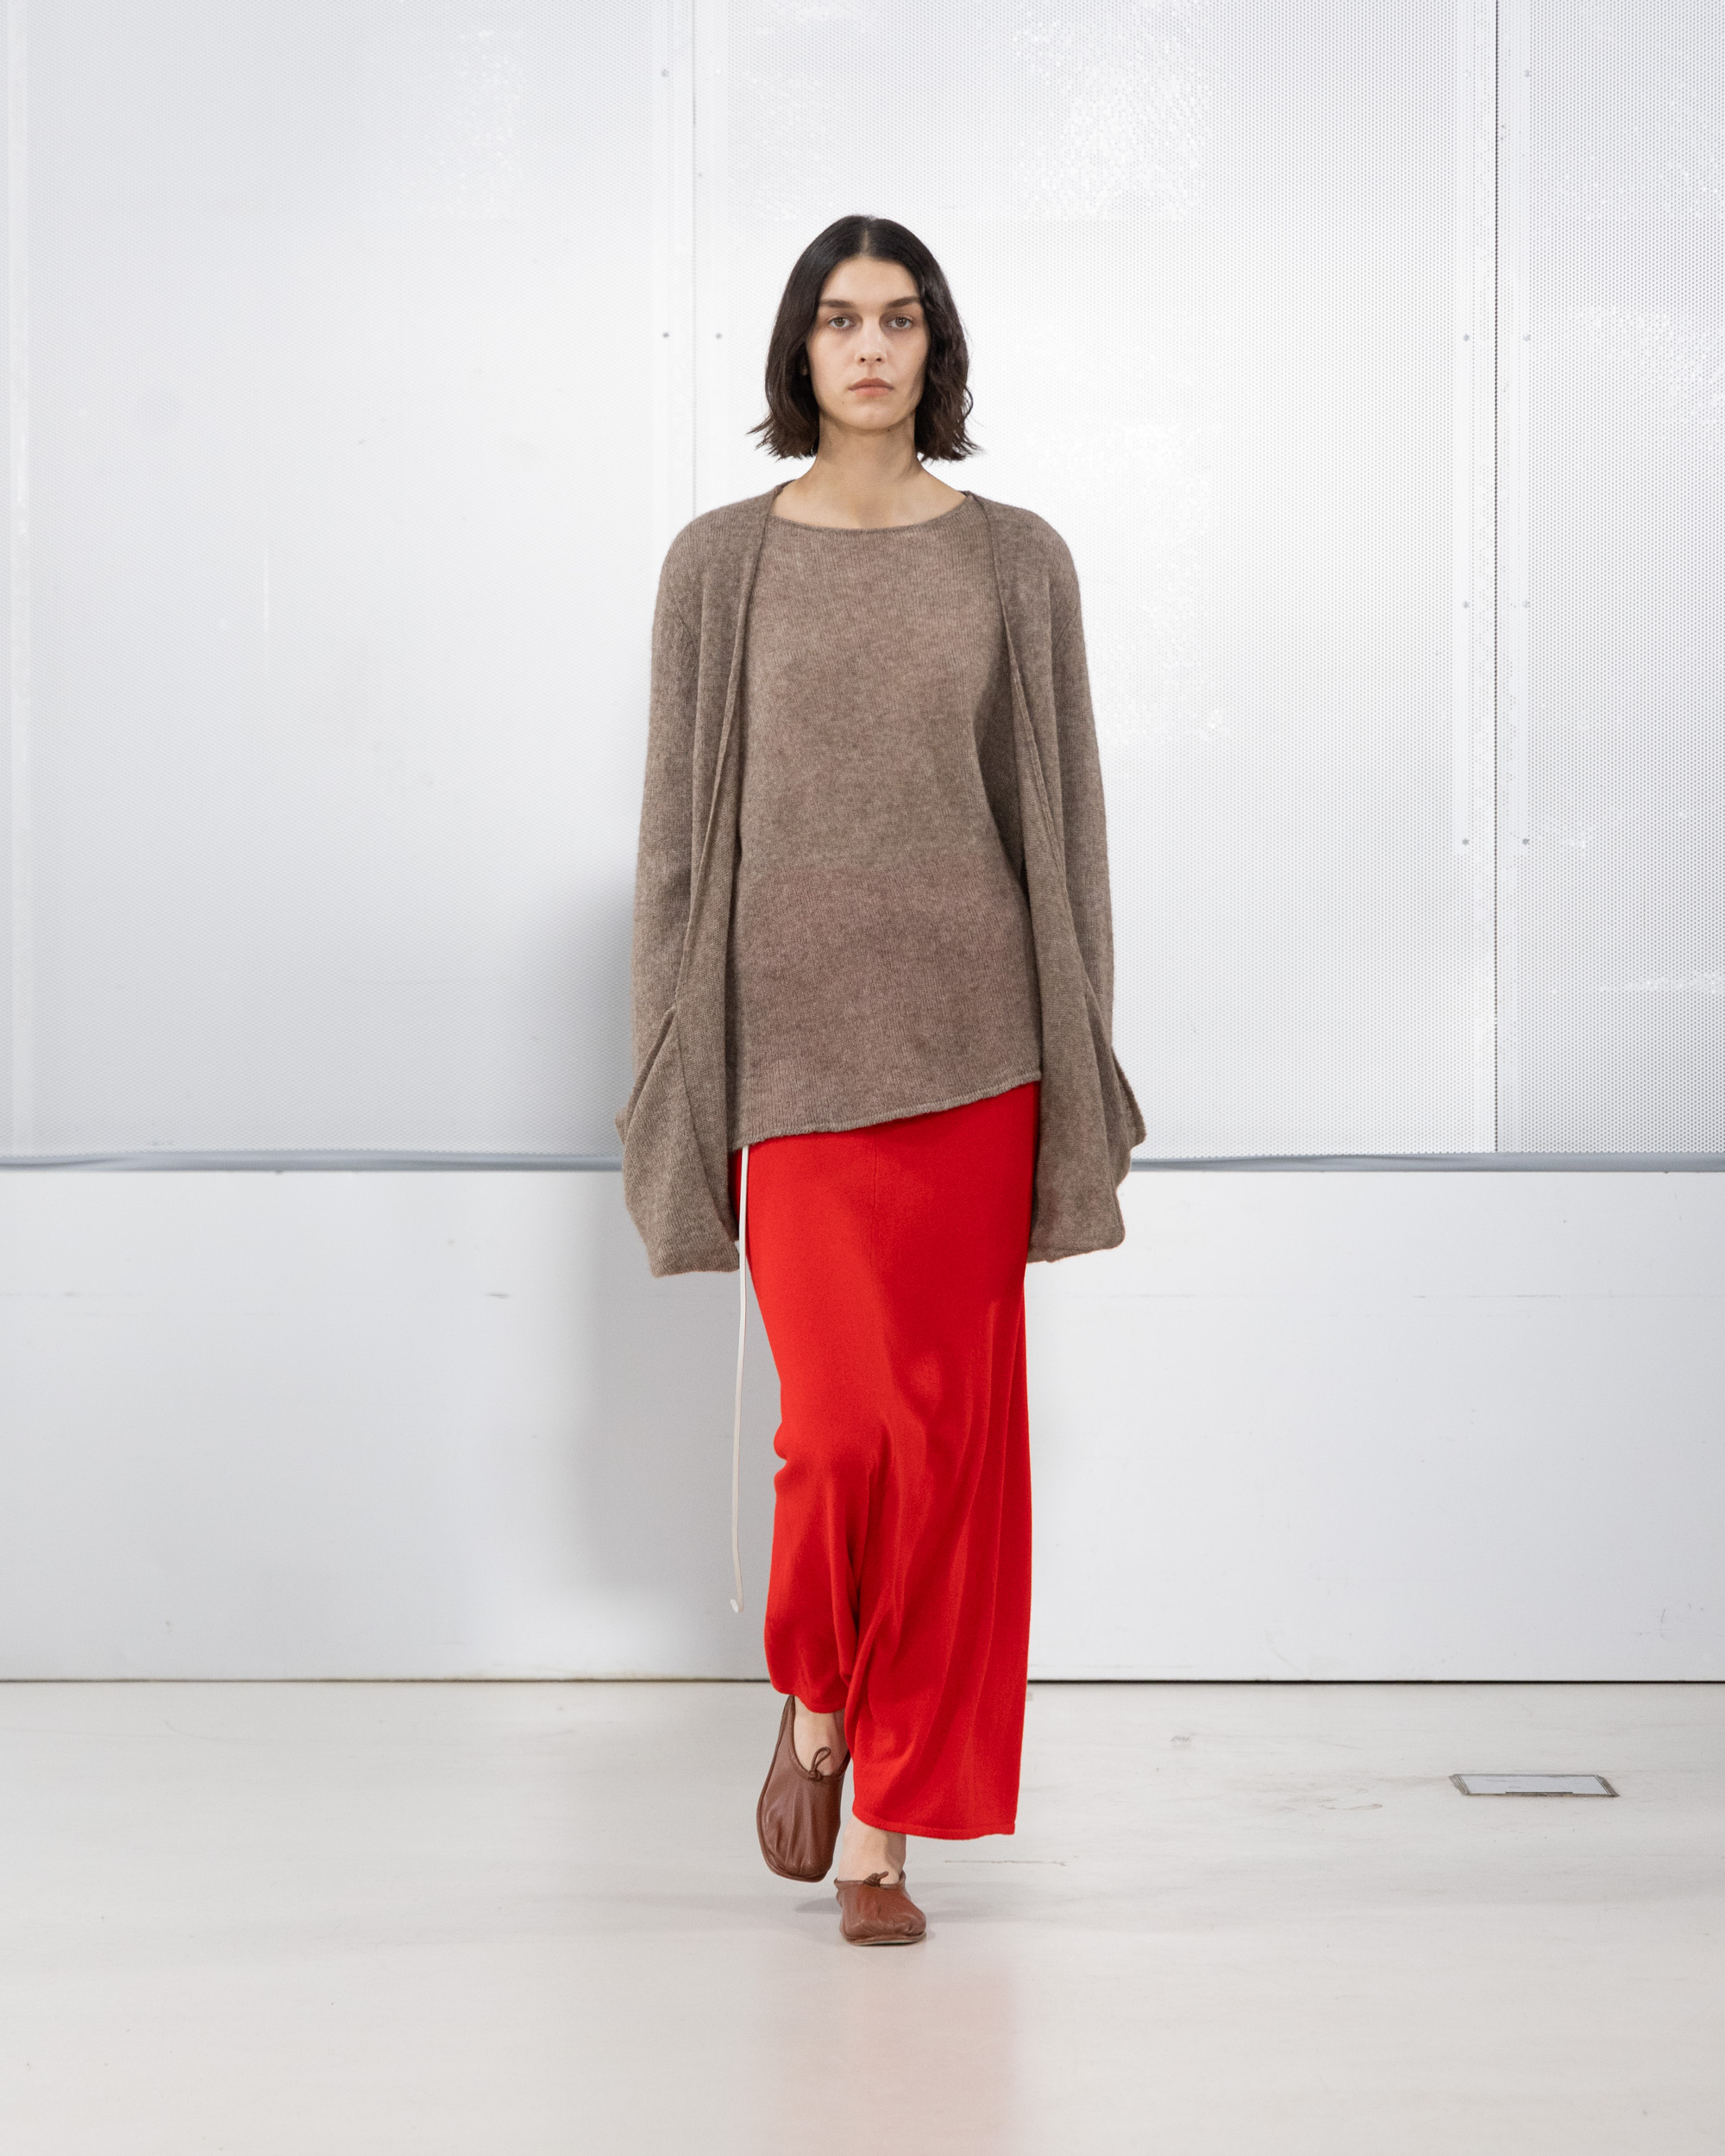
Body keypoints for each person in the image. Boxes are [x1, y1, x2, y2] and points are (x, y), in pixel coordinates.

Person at [617, 212, 1142, 1946]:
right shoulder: (719, 564)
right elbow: (677, 846)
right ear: (798, 348)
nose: (868, 347)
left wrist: (1077, 1058)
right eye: (840, 319)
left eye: (899, 319)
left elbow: (1062, 835)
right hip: (794, 1047)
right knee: (842, 1433)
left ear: (936, 348)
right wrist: (675, 1067)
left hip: (978, 1046)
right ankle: (819, 1693)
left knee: (951, 1452)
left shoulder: (1016, 559)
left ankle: (883, 1831)